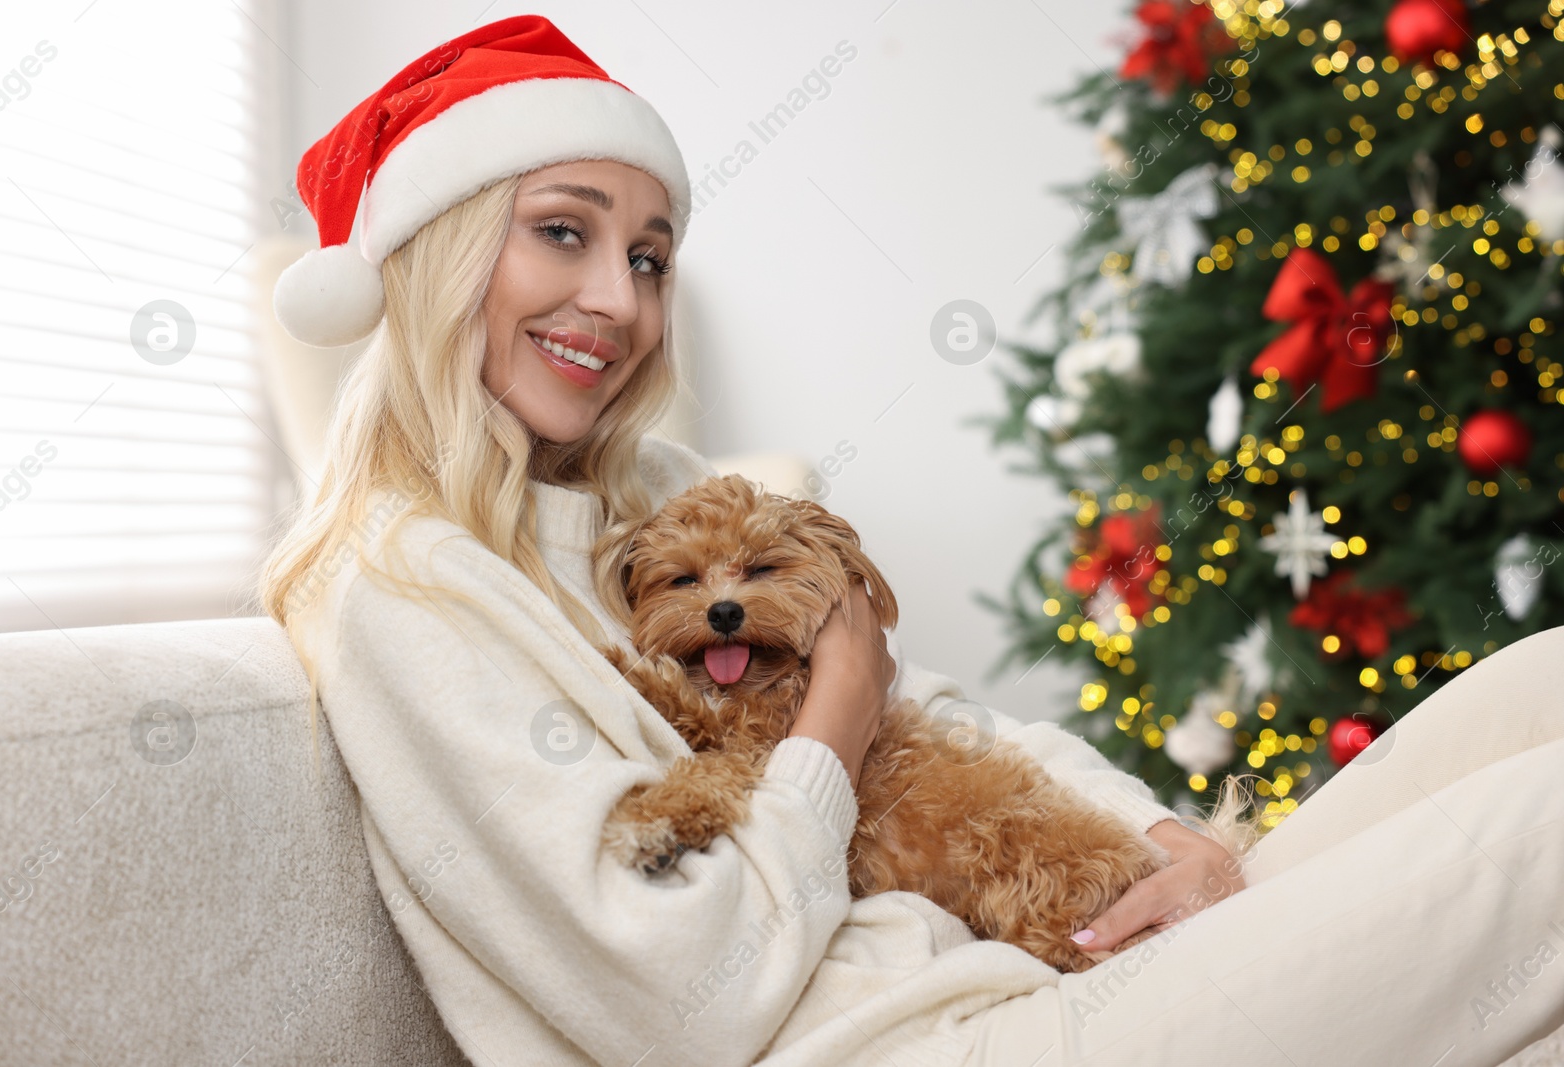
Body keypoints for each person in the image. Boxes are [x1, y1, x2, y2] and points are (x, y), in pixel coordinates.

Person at [259, 15, 1564, 1067]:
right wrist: (833, 711)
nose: (618, 298)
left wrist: (1161, 839)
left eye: (649, 256)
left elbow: (930, 713)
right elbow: (685, 1002)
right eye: (564, 231)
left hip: (1041, 956)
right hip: (937, 1040)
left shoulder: (646, 493)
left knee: (1544, 684)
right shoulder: (399, 589)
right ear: (435, 257)